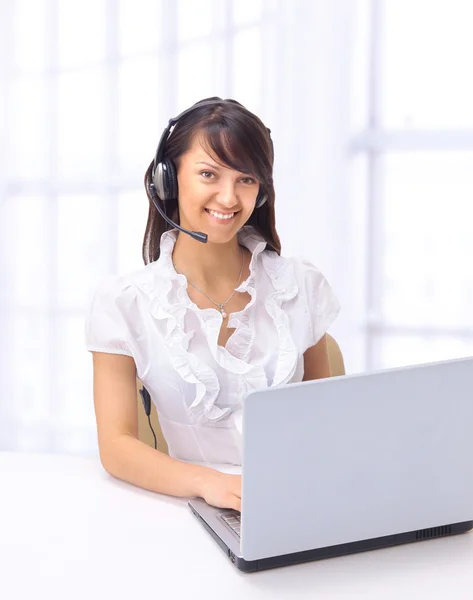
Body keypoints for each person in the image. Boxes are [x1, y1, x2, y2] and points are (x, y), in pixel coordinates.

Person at [85, 97, 340, 512]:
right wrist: (212, 484)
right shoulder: (124, 303)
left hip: (298, 499)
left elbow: (327, 419)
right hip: (187, 505)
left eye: (246, 179)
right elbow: (116, 446)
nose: (229, 197)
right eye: (208, 174)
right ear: (168, 180)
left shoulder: (299, 285)